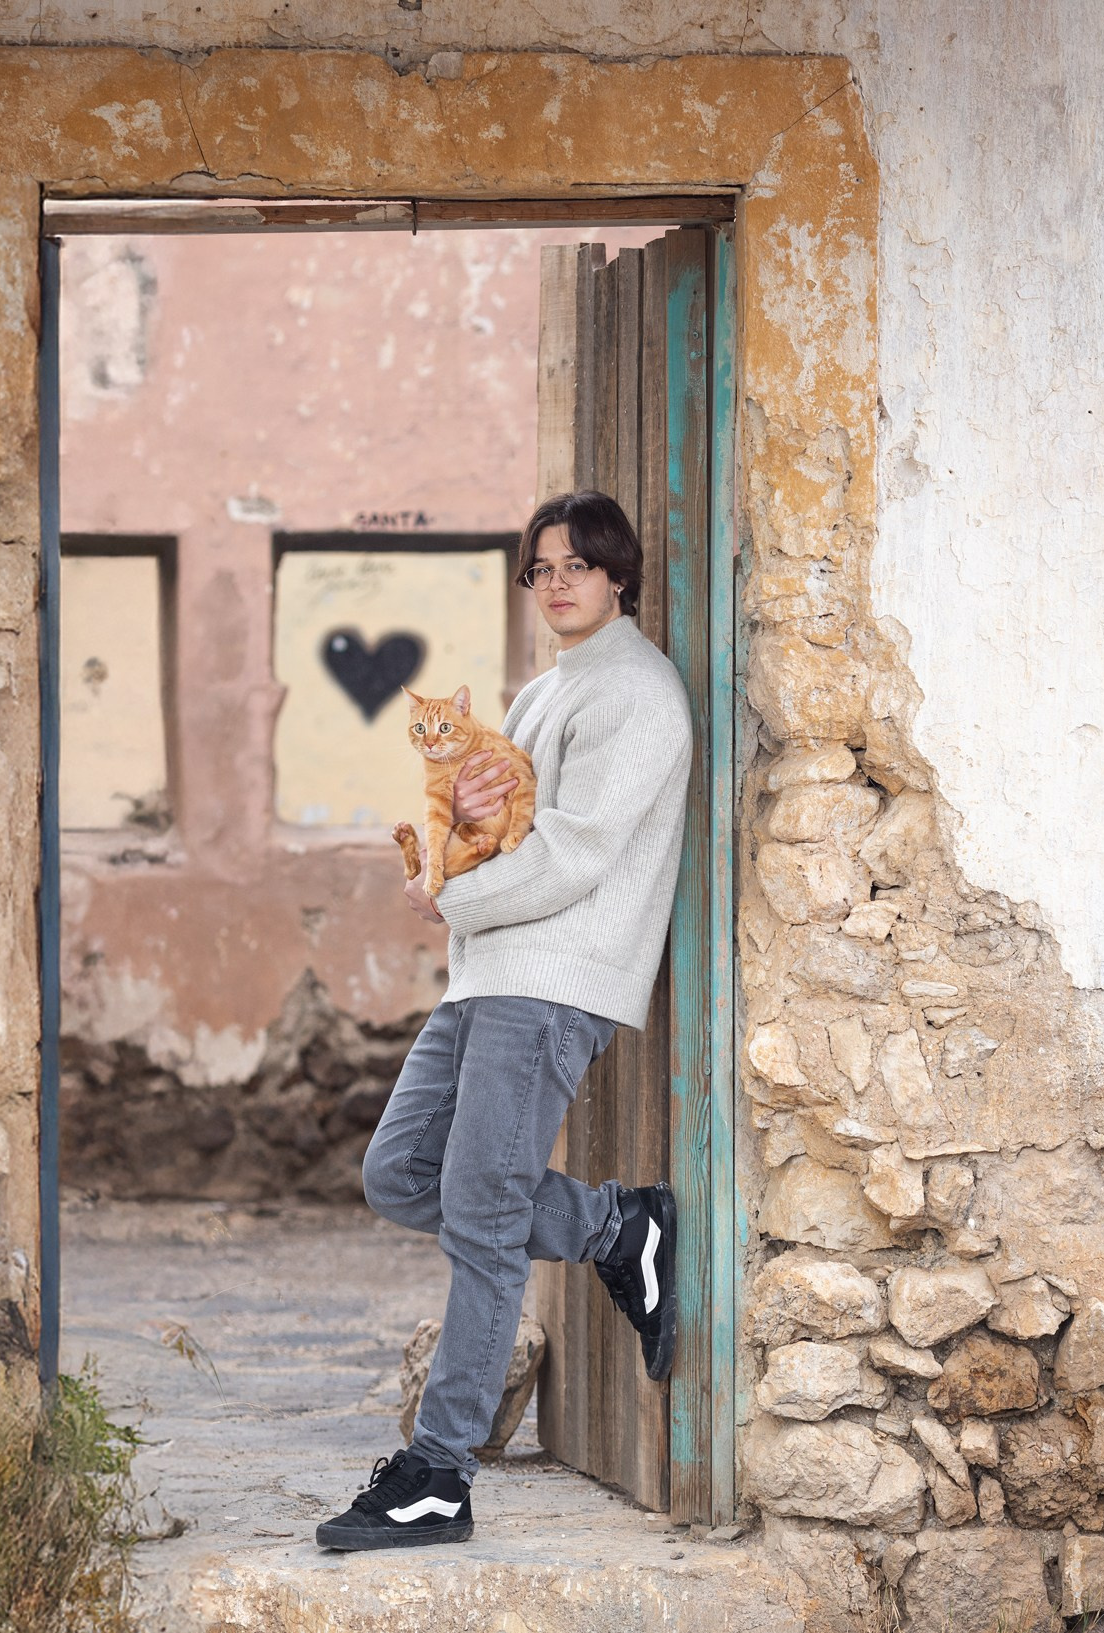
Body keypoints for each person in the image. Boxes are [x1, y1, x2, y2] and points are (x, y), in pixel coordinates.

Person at [315, 489, 694, 1551]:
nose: (558, 580)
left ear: (618, 574)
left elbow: (575, 850)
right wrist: (456, 859)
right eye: (541, 567)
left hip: (551, 978)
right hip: (487, 973)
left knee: (481, 1219)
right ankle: (616, 1226)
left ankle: (436, 1472)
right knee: (399, 1173)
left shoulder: (636, 693)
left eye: (578, 563)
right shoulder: (540, 693)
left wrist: (456, 895)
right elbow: (500, 824)